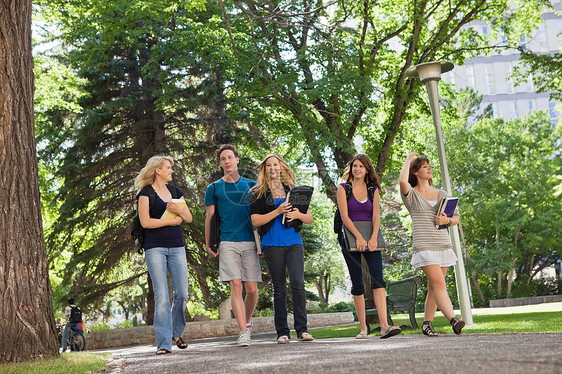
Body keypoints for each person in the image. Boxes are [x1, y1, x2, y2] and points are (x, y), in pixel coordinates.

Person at [249, 154, 315, 344]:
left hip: (294, 242)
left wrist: (298, 214)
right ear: (264, 170)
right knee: (279, 288)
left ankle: (302, 330)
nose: (272, 168)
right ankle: (282, 333)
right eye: (268, 165)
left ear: (281, 167)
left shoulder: (293, 191)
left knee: (298, 284)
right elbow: (255, 221)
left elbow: (309, 218)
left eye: (275, 165)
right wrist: (277, 211)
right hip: (271, 244)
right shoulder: (258, 193)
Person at [399, 152, 465, 336]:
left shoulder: (442, 194)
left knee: (434, 286)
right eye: (424, 166)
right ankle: (454, 320)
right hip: (424, 245)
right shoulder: (411, 195)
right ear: (415, 172)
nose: (429, 168)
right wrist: (408, 159)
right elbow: (402, 182)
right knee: (439, 283)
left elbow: (456, 217)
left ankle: (426, 324)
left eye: (429, 166)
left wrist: (448, 222)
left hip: (443, 245)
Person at [336, 154, 402, 339]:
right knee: (357, 282)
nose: (357, 169)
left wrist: (373, 237)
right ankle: (363, 329)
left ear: (367, 170)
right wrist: (358, 237)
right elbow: (345, 217)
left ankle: (384, 326)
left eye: (361, 166)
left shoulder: (373, 190)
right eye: (355, 166)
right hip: (350, 237)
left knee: (378, 280)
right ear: (351, 169)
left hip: (372, 237)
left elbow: (375, 216)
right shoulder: (343, 189)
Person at [204, 144, 262, 347]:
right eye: (223, 159)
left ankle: (247, 322)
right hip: (227, 241)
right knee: (236, 286)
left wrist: (261, 244)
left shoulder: (252, 185)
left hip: (250, 241)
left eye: (230, 157)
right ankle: (243, 331)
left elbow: (260, 214)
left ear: (237, 159)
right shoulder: (213, 188)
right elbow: (210, 217)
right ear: (220, 163)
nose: (227, 161)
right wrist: (208, 242)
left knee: (252, 289)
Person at [135, 155, 193, 354]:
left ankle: (176, 332)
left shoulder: (176, 192)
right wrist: (170, 220)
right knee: (161, 297)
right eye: (168, 167)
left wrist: (179, 210)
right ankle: (163, 343)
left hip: (177, 247)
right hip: (155, 248)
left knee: (183, 293)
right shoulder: (145, 193)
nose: (171, 170)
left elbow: (188, 218)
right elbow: (145, 223)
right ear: (157, 170)